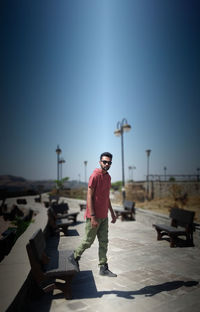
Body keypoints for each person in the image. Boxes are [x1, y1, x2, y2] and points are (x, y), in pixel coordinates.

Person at [70, 152, 117, 277]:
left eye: (109, 162)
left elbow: (107, 197)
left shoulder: (108, 177)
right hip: (94, 216)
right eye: (105, 162)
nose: (107, 164)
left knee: (104, 242)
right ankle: (74, 257)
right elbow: (89, 196)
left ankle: (103, 267)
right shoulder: (95, 176)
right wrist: (93, 216)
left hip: (104, 216)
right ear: (100, 162)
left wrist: (112, 213)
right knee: (88, 241)